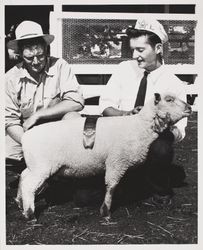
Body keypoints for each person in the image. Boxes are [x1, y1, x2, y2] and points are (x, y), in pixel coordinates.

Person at [99, 18, 188, 205]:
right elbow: (105, 106)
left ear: (157, 49)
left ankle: (159, 189)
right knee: (83, 198)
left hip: (150, 146)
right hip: (119, 143)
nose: (134, 55)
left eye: (140, 50)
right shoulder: (124, 70)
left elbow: (180, 130)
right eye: (133, 49)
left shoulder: (173, 84)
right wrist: (127, 115)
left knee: (162, 145)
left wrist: (164, 129)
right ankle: (125, 183)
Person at [5, 20, 84, 163]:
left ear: (46, 49)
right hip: (25, 133)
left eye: (40, 55)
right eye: (29, 57)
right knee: (6, 152)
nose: (35, 62)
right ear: (20, 54)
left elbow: (76, 101)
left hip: (58, 131)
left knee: (74, 118)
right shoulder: (10, 78)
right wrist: (31, 143)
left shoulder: (60, 66)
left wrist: (38, 115)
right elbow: (10, 122)